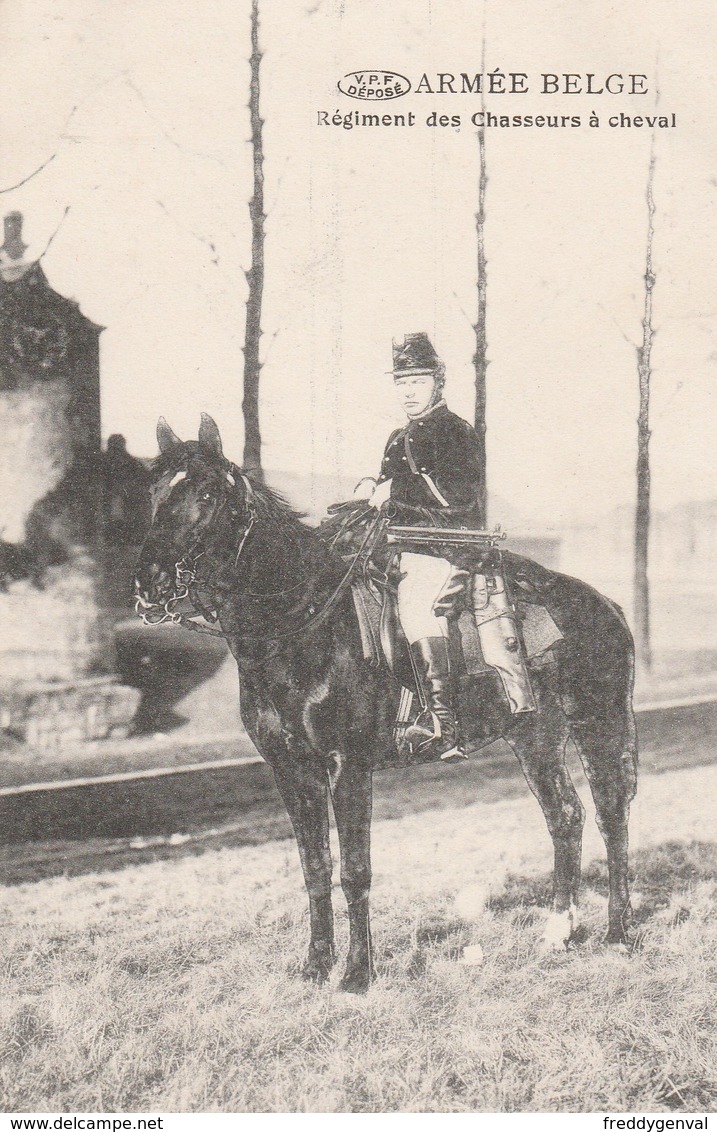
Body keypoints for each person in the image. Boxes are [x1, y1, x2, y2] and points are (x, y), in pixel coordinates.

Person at [364, 332, 485, 762]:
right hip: (396, 550)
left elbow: (458, 498)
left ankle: (445, 725)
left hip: (444, 547)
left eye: (417, 380)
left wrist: (395, 487)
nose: (408, 391)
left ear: (438, 382)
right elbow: (387, 492)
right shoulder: (398, 437)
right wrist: (369, 489)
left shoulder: (457, 432)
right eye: (401, 382)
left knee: (416, 610)